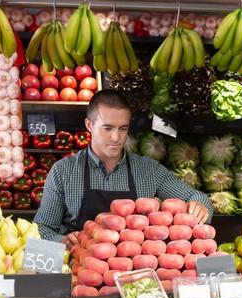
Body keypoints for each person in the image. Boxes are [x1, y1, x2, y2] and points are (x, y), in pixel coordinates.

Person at [34, 89, 214, 247]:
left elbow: (195, 197)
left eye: (122, 129)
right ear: (89, 125)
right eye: (107, 128)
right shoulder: (63, 171)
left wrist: (200, 206)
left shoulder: (148, 170)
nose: (116, 137)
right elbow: (42, 228)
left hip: (135, 272)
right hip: (83, 271)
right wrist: (61, 241)